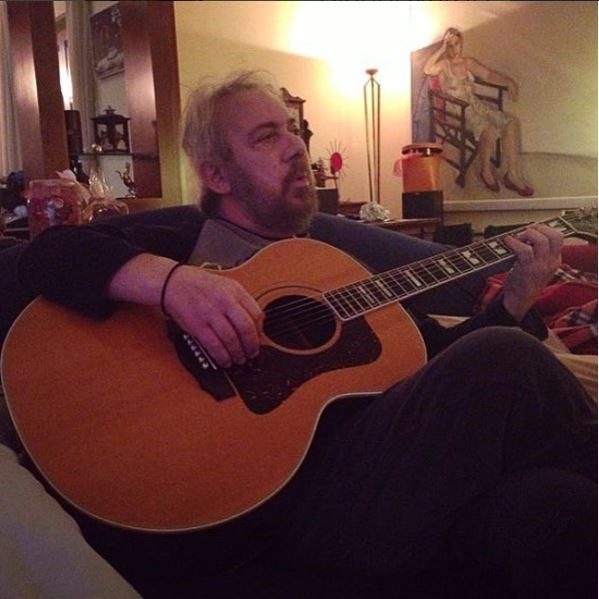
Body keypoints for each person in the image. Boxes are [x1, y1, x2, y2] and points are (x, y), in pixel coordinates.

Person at [18, 70, 596, 598]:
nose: (296, 145)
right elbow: (46, 255)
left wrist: (515, 298)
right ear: (216, 174)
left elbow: (442, 371)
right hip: (273, 512)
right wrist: (173, 284)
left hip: (387, 485)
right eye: (267, 136)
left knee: (554, 505)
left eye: (292, 129)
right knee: (502, 354)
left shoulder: (334, 269)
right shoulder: (182, 244)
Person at [424, 27, 534, 197]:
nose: (454, 49)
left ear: (461, 44)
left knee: (510, 123)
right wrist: (441, 48)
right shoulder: (443, 65)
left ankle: (512, 175)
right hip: (457, 111)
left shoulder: (468, 62)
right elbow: (427, 69)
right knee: (489, 130)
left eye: (456, 44)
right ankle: (485, 170)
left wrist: (509, 82)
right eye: (450, 45)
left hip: (475, 105)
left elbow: (488, 75)